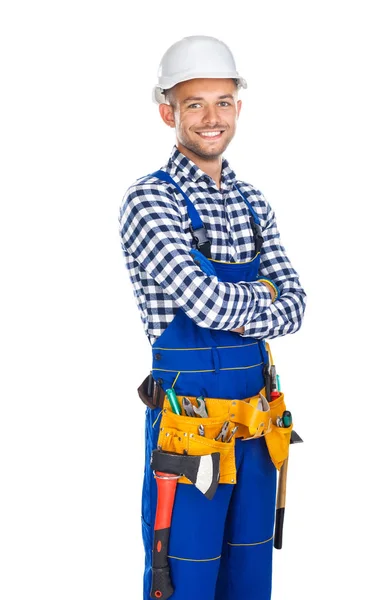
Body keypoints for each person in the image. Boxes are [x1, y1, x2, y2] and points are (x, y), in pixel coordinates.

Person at [118, 35, 306, 600]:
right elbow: (206, 304)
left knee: (250, 583)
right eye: (194, 103)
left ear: (238, 108)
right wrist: (261, 295)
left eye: (222, 101)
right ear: (167, 110)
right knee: (184, 581)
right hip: (189, 442)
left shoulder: (254, 203)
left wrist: (262, 300)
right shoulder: (151, 202)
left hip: (256, 435)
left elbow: (296, 306)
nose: (210, 117)